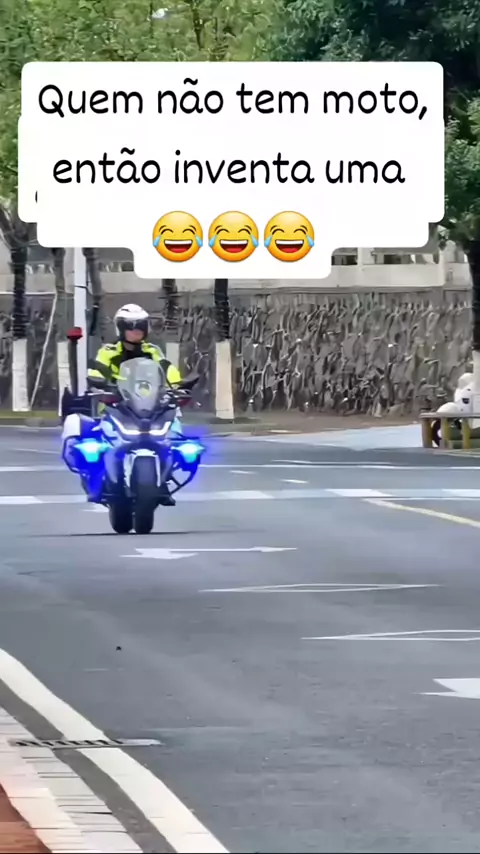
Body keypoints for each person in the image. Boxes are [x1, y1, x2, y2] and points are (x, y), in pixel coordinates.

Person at [87, 303, 182, 506]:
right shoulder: (108, 352)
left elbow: (167, 369)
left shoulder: (153, 351)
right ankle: (98, 482)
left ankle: (163, 480)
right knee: (99, 444)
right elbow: (97, 370)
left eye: (140, 326)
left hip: (150, 406)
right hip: (116, 406)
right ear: (120, 328)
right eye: (130, 326)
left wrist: (177, 386)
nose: (135, 331)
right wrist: (99, 383)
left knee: (173, 435)